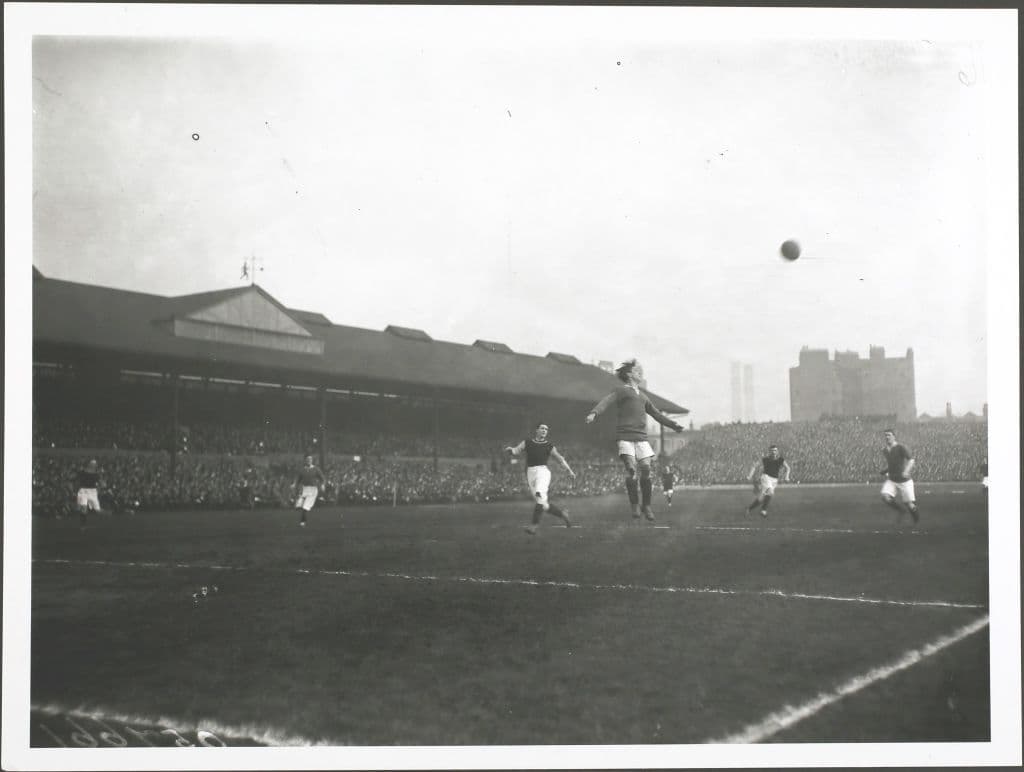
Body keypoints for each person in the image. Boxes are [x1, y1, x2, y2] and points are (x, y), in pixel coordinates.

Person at [585, 359, 685, 521]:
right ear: (629, 374)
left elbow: (657, 414)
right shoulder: (621, 390)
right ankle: (634, 505)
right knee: (631, 470)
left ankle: (647, 506)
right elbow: (606, 401)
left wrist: (673, 425)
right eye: (637, 370)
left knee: (646, 471)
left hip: (641, 439)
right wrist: (594, 413)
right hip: (625, 437)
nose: (641, 373)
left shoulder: (644, 396)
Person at [505, 423, 576, 534]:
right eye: (542, 428)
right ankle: (563, 514)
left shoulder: (549, 445)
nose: (544, 430)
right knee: (543, 504)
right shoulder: (527, 442)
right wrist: (511, 450)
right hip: (530, 473)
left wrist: (569, 470)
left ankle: (533, 526)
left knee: (539, 493)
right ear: (536, 430)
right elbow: (516, 451)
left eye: (546, 429)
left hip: (543, 472)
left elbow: (560, 459)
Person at [880, 429, 918, 524]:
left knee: (909, 504)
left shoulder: (901, 447)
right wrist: (885, 470)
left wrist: (906, 471)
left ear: (894, 436)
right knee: (885, 497)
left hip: (904, 481)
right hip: (892, 480)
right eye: (885, 435)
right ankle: (901, 510)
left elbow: (911, 460)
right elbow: (892, 464)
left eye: (889, 435)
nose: (887, 437)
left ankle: (916, 522)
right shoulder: (885, 450)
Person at [746, 445, 791, 517]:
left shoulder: (781, 460)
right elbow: (754, 466)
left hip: (774, 480)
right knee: (770, 492)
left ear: (777, 451)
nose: (773, 452)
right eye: (772, 450)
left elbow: (788, 468)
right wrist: (750, 475)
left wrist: (787, 476)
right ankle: (763, 510)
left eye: (775, 450)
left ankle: (749, 509)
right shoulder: (765, 459)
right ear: (769, 451)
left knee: (761, 498)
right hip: (766, 477)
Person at [294, 455, 326, 526]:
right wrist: (294, 484)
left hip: (312, 490)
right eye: (307, 459)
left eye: (310, 459)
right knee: (298, 505)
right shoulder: (302, 470)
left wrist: (323, 484)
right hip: (305, 489)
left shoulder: (316, 469)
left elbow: (322, 478)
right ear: (305, 460)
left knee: (305, 507)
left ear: (312, 460)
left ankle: (303, 521)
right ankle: (300, 504)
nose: (309, 460)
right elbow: (298, 479)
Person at [74, 458, 102, 530]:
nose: (94, 465)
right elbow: (77, 481)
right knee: (84, 509)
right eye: (93, 464)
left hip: (92, 491)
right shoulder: (83, 472)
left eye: (95, 464)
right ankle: (82, 525)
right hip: (84, 491)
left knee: (97, 510)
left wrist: (98, 489)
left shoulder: (96, 474)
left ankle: (83, 525)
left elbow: (99, 483)